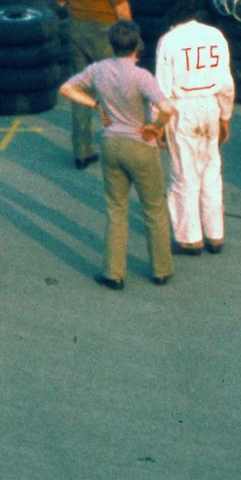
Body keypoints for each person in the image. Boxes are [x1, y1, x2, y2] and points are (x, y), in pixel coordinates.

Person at [59, 21, 177, 289]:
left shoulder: (98, 70)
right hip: (140, 144)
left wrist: (95, 103)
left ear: (112, 44)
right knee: (154, 209)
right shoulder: (141, 76)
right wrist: (155, 128)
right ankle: (161, 269)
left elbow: (67, 89)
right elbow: (167, 108)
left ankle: (113, 272)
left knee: (116, 209)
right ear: (136, 45)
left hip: (111, 144)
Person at [153, 0, 234, 255]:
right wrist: (225, 116)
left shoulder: (169, 41)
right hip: (210, 104)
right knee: (211, 171)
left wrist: (157, 124)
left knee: (184, 174)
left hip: (182, 108)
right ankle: (215, 234)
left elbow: (162, 89)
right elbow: (226, 83)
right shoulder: (215, 36)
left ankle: (190, 238)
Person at [53, 0, 130, 168]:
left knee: (80, 90)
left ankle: (82, 152)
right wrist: (130, 31)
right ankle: (120, 149)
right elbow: (118, 0)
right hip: (103, 31)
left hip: (76, 28)